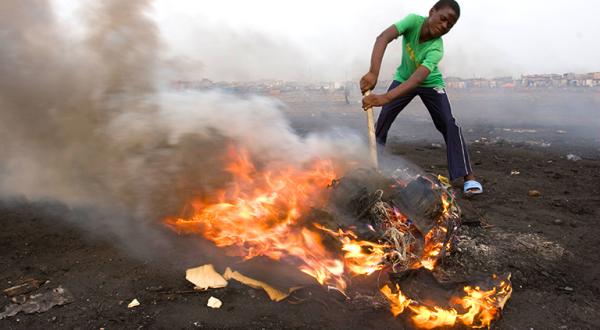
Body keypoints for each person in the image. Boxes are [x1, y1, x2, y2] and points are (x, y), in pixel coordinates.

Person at [360, 0, 483, 195]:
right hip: (403, 78)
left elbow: (417, 79)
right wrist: (373, 73)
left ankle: (468, 175)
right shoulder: (412, 22)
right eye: (443, 19)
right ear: (432, 11)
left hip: (429, 83)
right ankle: (372, 166)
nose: (444, 26)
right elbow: (383, 38)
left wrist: (385, 97)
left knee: (448, 124)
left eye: (449, 26)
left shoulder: (436, 49)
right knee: (383, 121)